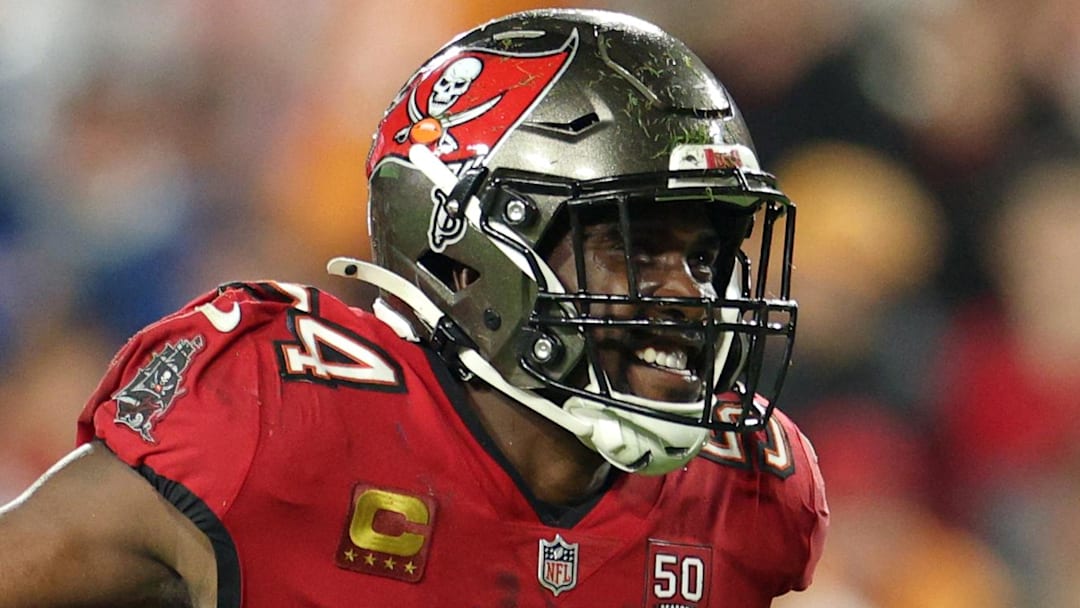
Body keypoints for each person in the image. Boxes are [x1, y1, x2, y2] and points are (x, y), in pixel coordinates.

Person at [0, 8, 827, 607]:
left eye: (706, 255)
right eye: (635, 247)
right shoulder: (276, 420)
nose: (689, 294)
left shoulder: (747, 494)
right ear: (463, 256)